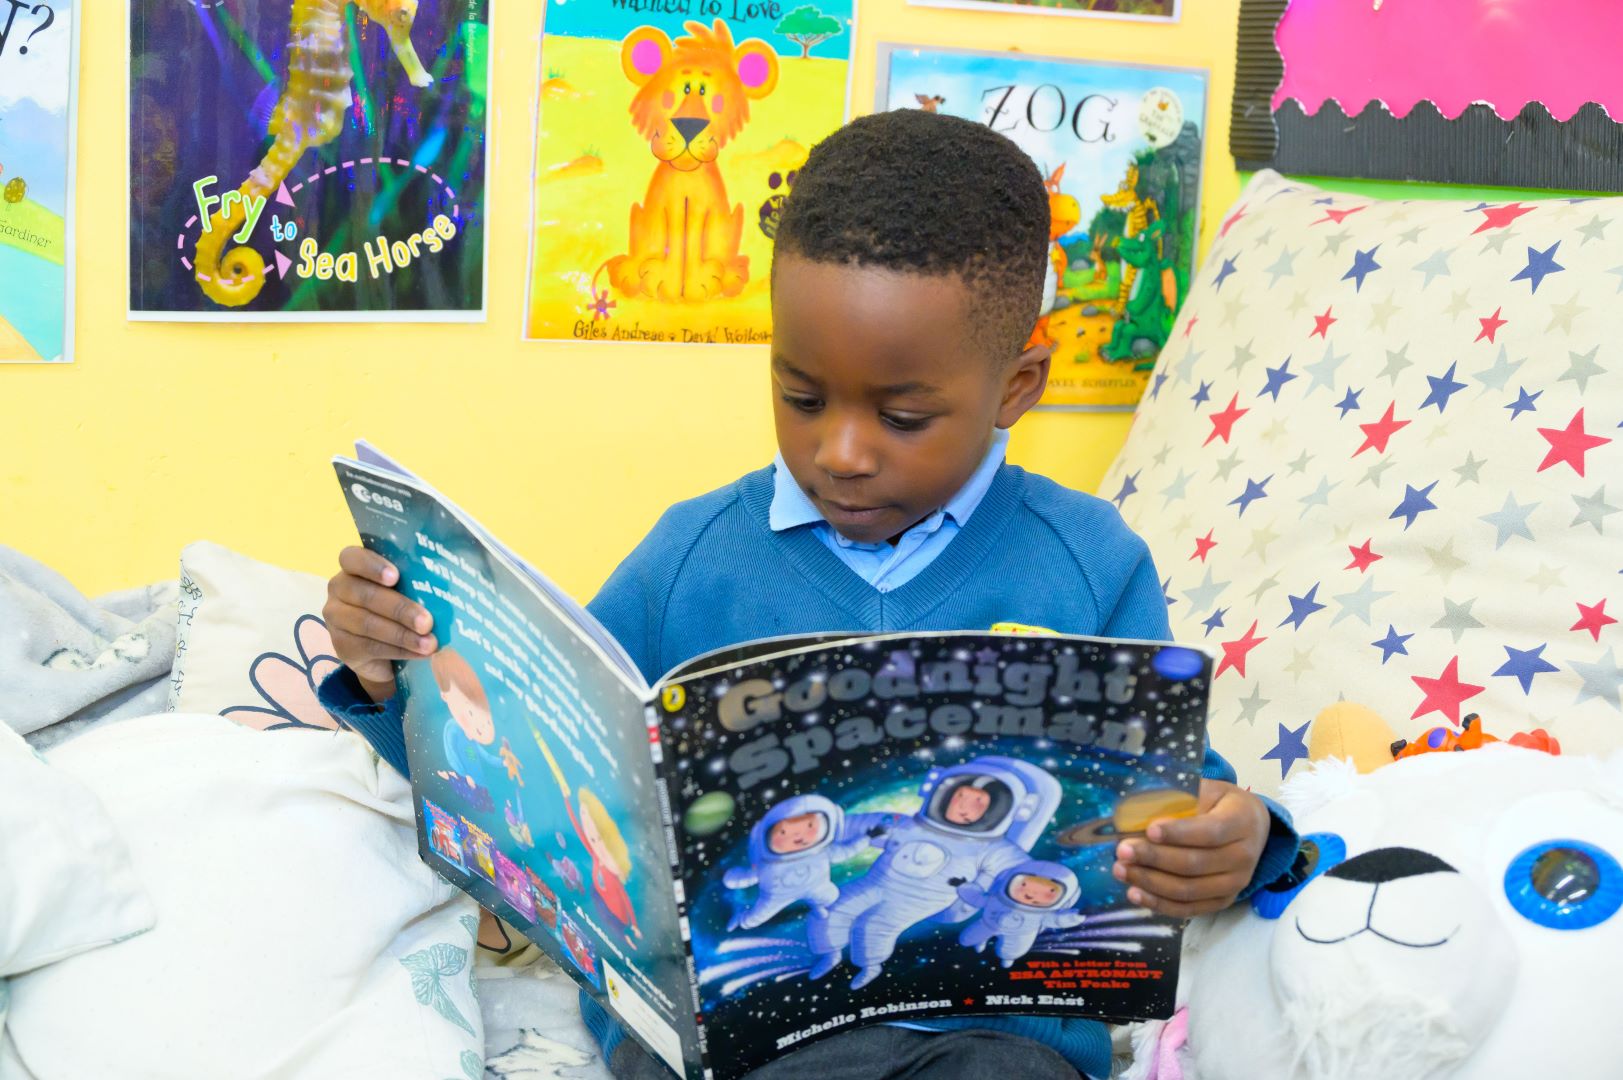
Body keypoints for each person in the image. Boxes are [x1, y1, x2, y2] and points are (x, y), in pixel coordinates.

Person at [318, 109, 1299, 1080]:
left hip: (990, 1044)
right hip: (727, 1044)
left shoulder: (1090, 563)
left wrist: (1244, 837)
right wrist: (388, 676)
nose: (840, 452)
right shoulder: (692, 556)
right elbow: (531, 764)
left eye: (902, 416)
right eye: (800, 397)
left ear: (1017, 386)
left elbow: (1172, 801)